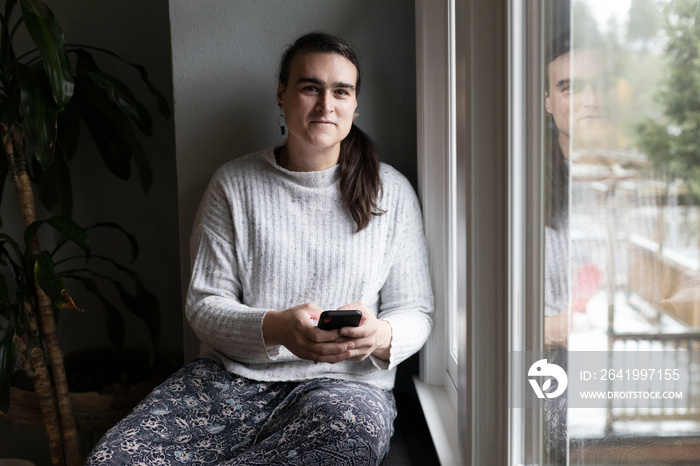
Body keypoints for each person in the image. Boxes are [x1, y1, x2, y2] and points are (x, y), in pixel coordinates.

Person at [85, 31, 433, 465]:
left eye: (340, 91)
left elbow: (415, 311)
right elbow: (204, 305)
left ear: (354, 106)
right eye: (311, 87)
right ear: (282, 96)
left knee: (334, 452)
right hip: (228, 380)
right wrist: (276, 328)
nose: (327, 105)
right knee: (113, 459)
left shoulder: (392, 192)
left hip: (345, 391)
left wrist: (380, 336)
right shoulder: (232, 185)